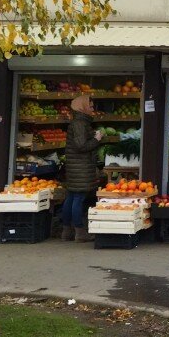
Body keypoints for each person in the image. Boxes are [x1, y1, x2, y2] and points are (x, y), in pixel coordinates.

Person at [62, 94, 102, 242]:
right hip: (81, 167)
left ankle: (67, 231)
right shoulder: (80, 124)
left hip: (76, 167)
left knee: (71, 197)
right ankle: (79, 232)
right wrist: (96, 139)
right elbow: (81, 146)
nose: (92, 109)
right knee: (77, 198)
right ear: (83, 107)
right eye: (90, 106)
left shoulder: (79, 122)